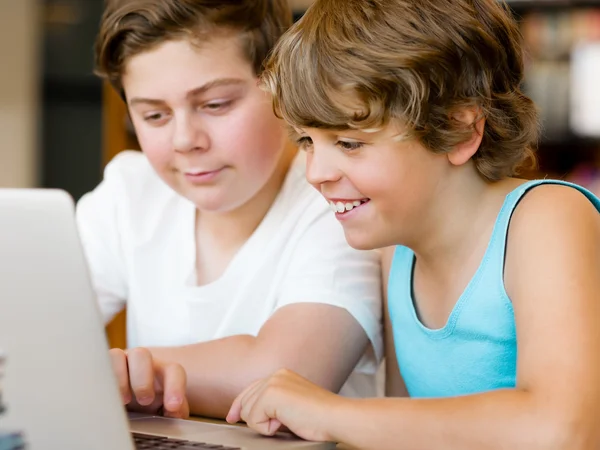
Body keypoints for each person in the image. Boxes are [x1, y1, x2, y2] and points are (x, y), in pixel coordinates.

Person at [225, 0, 600, 448]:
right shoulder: (396, 251)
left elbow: (565, 429)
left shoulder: (548, 218)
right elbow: (405, 430)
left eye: (348, 142)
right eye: (307, 140)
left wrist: (332, 413)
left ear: (460, 131)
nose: (315, 172)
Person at [80, 0, 383, 420]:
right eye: (154, 114)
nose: (186, 140)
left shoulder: (338, 200)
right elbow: (25, 334)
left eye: (216, 104)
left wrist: (109, 371)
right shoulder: (131, 192)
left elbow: (284, 375)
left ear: (282, 85)